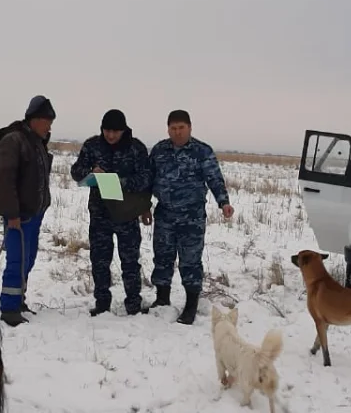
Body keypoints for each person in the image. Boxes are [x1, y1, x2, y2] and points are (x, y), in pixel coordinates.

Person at [146, 109, 233, 325]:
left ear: (190, 127)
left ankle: (191, 305)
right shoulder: (159, 151)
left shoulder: (202, 151)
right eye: (173, 128)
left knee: (190, 261)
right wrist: (143, 206)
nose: (177, 133)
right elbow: (147, 180)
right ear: (168, 129)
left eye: (181, 128)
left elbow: (214, 178)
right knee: (162, 257)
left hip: (191, 217)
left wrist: (223, 202)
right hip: (164, 214)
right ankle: (162, 299)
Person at [69, 109, 152, 317]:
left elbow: (146, 178)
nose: (111, 135)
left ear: (123, 130)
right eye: (107, 131)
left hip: (127, 214)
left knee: (130, 261)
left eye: (115, 131)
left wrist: (121, 182)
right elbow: (76, 172)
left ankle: (133, 304)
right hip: (100, 215)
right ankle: (102, 303)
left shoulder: (136, 148)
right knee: (99, 260)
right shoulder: (92, 146)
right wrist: (90, 173)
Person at [0, 95, 56, 326]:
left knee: (28, 259)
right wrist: (12, 215)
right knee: (17, 260)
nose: (50, 126)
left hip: (34, 214)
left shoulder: (36, 142)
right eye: (47, 121)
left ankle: (18, 299)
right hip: (18, 216)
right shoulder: (14, 141)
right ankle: (9, 309)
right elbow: (5, 180)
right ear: (34, 119)